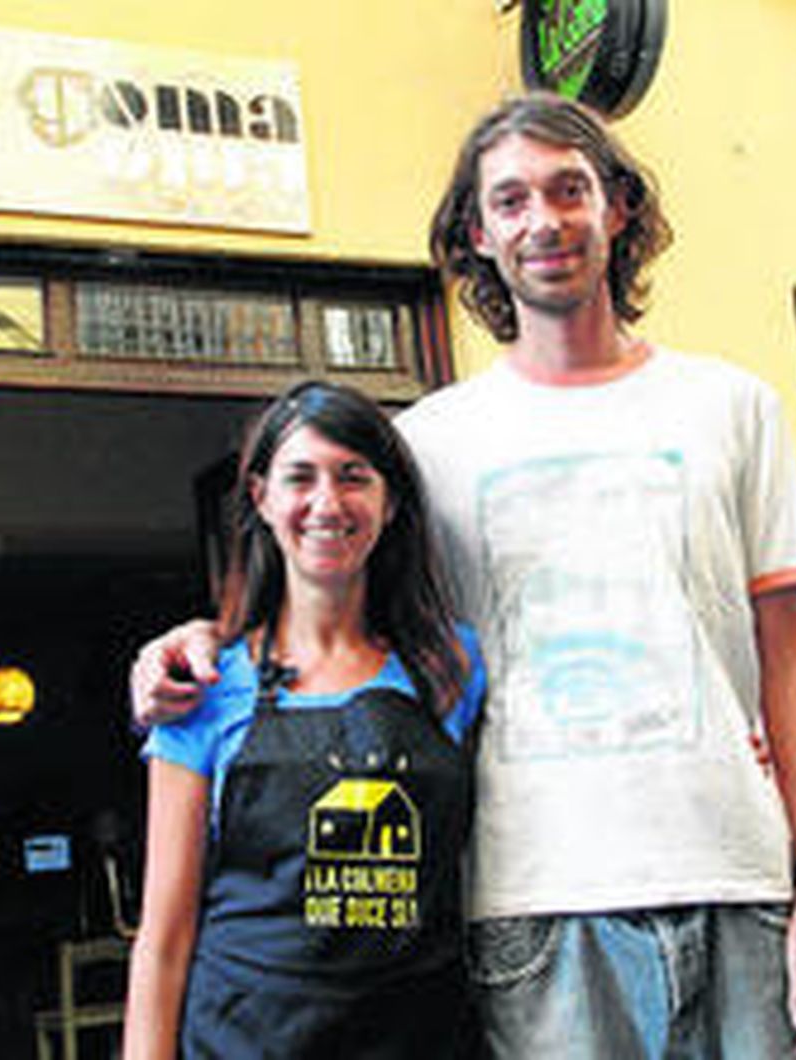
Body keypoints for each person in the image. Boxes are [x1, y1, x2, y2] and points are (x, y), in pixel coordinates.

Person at [131, 93, 796, 1057]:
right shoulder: (428, 443)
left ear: (620, 209)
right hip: (531, 904)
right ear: (478, 233)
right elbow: (334, 585)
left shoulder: (733, 405)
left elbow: (791, 660)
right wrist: (200, 645)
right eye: (512, 200)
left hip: (739, 877)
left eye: (572, 189)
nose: (546, 221)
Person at [123, 381, 487, 1059]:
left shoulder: (453, 666)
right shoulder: (199, 685)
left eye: (354, 477)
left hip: (420, 1038)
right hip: (248, 1039)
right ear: (260, 498)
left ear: (391, 501)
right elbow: (164, 939)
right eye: (300, 477)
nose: (328, 503)